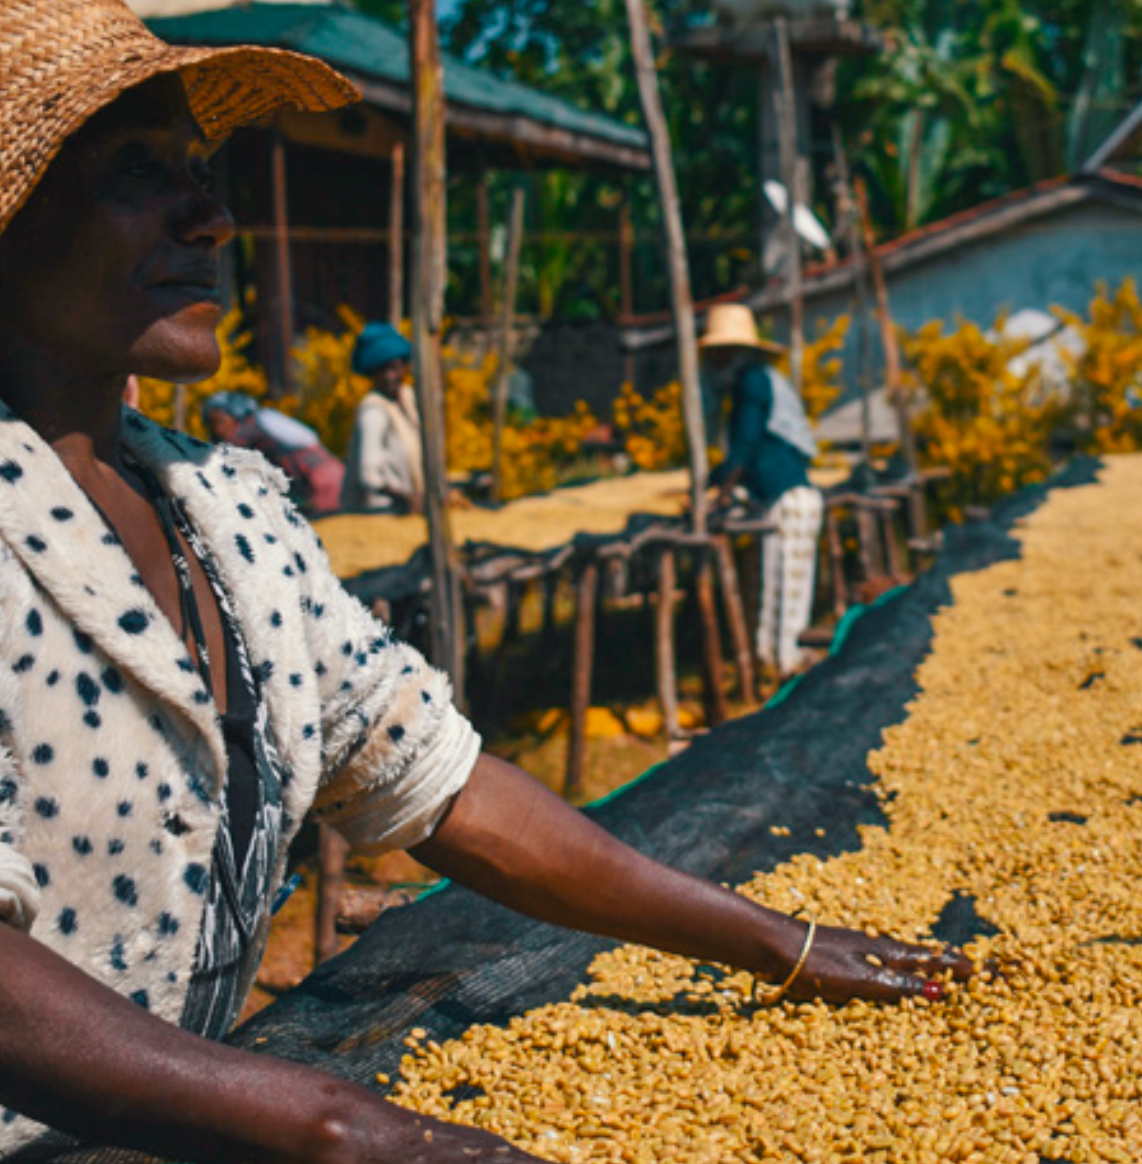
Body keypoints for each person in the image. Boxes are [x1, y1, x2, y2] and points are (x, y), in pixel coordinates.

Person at [0, 4, 974, 1161]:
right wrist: (338, 1121)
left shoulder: (229, 513)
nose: (211, 216)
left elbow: (440, 783)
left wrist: (775, 941)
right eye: (135, 170)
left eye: (202, 173)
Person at [703, 303, 826, 681]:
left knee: (785, 582)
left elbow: (744, 446)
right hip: (787, 496)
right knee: (779, 581)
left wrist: (719, 491)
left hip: (789, 498)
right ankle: (773, 661)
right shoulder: (760, 378)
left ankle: (782, 666)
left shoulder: (751, 382)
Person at [202, 390, 345, 517]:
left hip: (321, 482)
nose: (217, 431)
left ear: (235, 414)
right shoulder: (265, 418)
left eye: (220, 422)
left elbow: (223, 456)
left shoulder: (251, 425)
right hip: (328, 476)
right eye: (212, 425)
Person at [341, 322, 425, 514]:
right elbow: (368, 475)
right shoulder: (373, 412)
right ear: (373, 373)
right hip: (379, 512)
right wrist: (407, 499)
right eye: (383, 371)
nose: (390, 377)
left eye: (395, 368)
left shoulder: (407, 398)